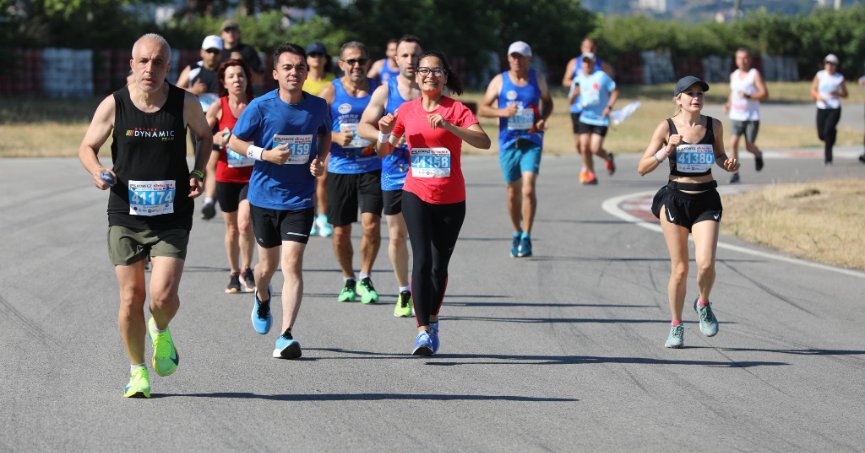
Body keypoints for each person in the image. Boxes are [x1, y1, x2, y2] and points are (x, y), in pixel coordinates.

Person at [78, 33, 211, 398]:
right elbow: (88, 146)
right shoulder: (115, 105)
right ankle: (138, 372)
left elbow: (205, 137)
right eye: (143, 61)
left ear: (168, 67)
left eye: (158, 62)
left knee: (162, 298)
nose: (150, 68)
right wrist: (96, 170)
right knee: (130, 297)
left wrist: (198, 172)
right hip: (125, 213)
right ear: (132, 65)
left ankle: (161, 329)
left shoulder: (185, 103)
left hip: (171, 215)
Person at [377, 51, 491, 355]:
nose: (430, 75)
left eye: (436, 71)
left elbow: (484, 141)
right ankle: (422, 331)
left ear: (445, 76)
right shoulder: (406, 110)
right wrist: (383, 133)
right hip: (415, 191)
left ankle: (434, 319)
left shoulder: (457, 109)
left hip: (452, 197)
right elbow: (383, 151)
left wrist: (450, 127)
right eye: (424, 71)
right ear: (416, 77)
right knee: (422, 260)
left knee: (439, 267)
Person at [227, 43, 331, 359]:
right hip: (264, 197)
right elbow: (234, 141)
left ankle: (286, 335)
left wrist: (320, 160)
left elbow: (325, 134)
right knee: (265, 269)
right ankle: (261, 296)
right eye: (287, 67)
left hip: (300, 199)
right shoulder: (260, 106)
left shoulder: (318, 106)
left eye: (300, 67)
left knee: (292, 265)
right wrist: (265, 154)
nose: (294, 72)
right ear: (275, 73)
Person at [637, 76, 739, 349]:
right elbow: (642, 167)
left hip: (706, 199)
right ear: (677, 99)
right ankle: (676, 325)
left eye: (700, 93)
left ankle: (703, 303)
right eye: (689, 93)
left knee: (705, 264)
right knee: (680, 269)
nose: (696, 97)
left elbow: (719, 155)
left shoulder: (713, 125)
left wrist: (727, 163)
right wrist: (666, 149)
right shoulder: (666, 127)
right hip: (675, 200)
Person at [358, 34, 423, 317]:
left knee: (424, 238)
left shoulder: (431, 91)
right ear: (395, 59)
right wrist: (386, 135)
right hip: (395, 174)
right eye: (405, 55)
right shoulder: (385, 92)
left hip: (427, 173)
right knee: (397, 236)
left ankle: (424, 287)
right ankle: (404, 291)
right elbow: (363, 127)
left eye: (416, 56)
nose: (411, 61)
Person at [318, 41, 383, 305]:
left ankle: (365, 275)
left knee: (371, 224)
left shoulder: (379, 91)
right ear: (342, 64)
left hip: (372, 167)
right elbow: (312, 126)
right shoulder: (330, 91)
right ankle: (348, 278)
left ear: (368, 62)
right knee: (340, 232)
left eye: (362, 61)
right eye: (351, 61)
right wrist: (333, 135)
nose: (357, 66)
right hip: (340, 168)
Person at [479, 41, 553, 258]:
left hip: (532, 140)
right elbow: (483, 108)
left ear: (529, 59)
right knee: (513, 192)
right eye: (513, 56)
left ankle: (527, 236)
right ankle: (516, 231)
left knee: (528, 188)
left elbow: (548, 103)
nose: (516, 60)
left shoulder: (537, 79)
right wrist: (502, 112)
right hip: (508, 142)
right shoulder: (500, 81)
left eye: (520, 56)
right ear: (508, 58)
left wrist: (542, 120)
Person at [204, 59, 256, 294]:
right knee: (232, 228)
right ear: (224, 82)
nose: (237, 79)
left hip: (251, 175)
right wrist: (217, 139)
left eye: (241, 75)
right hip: (226, 176)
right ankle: (234, 273)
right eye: (232, 76)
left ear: (247, 79)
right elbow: (202, 135)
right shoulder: (219, 106)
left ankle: (247, 268)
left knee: (245, 223)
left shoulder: (256, 105)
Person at [177, 35, 223, 220]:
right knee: (201, 162)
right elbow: (176, 90)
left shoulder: (225, 71)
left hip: (219, 120)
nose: (212, 55)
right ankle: (206, 193)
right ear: (202, 52)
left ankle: (209, 202)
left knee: (211, 162)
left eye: (216, 52)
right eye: (209, 51)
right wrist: (193, 91)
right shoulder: (193, 70)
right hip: (197, 120)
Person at [561, 37, 616, 184]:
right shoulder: (574, 63)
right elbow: (565, 80)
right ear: (581, 48)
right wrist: (577, 85)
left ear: (595, 49)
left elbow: (611, 84)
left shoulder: (602, 66)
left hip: (598, 112)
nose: (589, 50)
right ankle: (587, 167)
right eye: (586, 48)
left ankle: (588, 170)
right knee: (580, 144)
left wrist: (607, 104)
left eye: (591, 48)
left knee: (592, 146)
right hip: (578, 109)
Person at [302, 41, 336, 238]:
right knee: (307, 178)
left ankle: (323, 217)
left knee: (322, 179)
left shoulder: (332, 81)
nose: (316, 58)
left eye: (319, 54)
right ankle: (311, 216)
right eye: (312, 54)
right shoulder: (303, 80)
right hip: (305, 136)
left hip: (325, 134)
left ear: (325, 58)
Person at [723, 48, 768, 183]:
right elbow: (733, 92)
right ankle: (735, 173)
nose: (742, 61)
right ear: (736, 60)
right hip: (736, 115)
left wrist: (748, 96)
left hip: (751, 117)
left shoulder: (754, 74)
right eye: (739, 58)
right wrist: (728, 103)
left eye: (745, 58)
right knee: (733, 143)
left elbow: (765, 94)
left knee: (749, 146)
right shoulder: (734, 75)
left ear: (750, 59)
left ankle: (758, 154)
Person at [811, 53, 848, 165]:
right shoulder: (820, 75)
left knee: (827, 132)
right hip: (822, 107)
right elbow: (813, 89)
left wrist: (837, 93)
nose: (829, 65)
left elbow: (845, 94)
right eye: (827, 63)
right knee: (821, 134)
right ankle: (833, 133)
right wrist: (818, 96)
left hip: (834, 108)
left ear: (836, 65)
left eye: (832, 63)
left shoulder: (839, 78)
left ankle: (828, 159)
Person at [218, 20, 265, 89]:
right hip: (224, 95)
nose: (231, 33)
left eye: (233, 30)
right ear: (221, 35)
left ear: (239, 33)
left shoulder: (248, 50)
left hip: (247, 93)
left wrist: (243, 62)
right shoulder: (217, 54)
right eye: (227, 30)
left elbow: (259, 81)